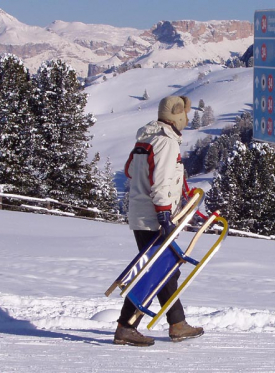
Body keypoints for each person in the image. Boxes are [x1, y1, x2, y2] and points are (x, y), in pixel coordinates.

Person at [114, 95, 204, 347]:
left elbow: (130, 170)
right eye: (185, 113)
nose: (187, 118)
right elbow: (162, 181)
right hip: (155, 217)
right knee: (154, 271)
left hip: (141, 214)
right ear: (177, 115)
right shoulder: (166, 143)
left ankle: (177, 323)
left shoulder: (147, 138)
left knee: (165, 270)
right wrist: (165, 213)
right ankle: (126, 326)